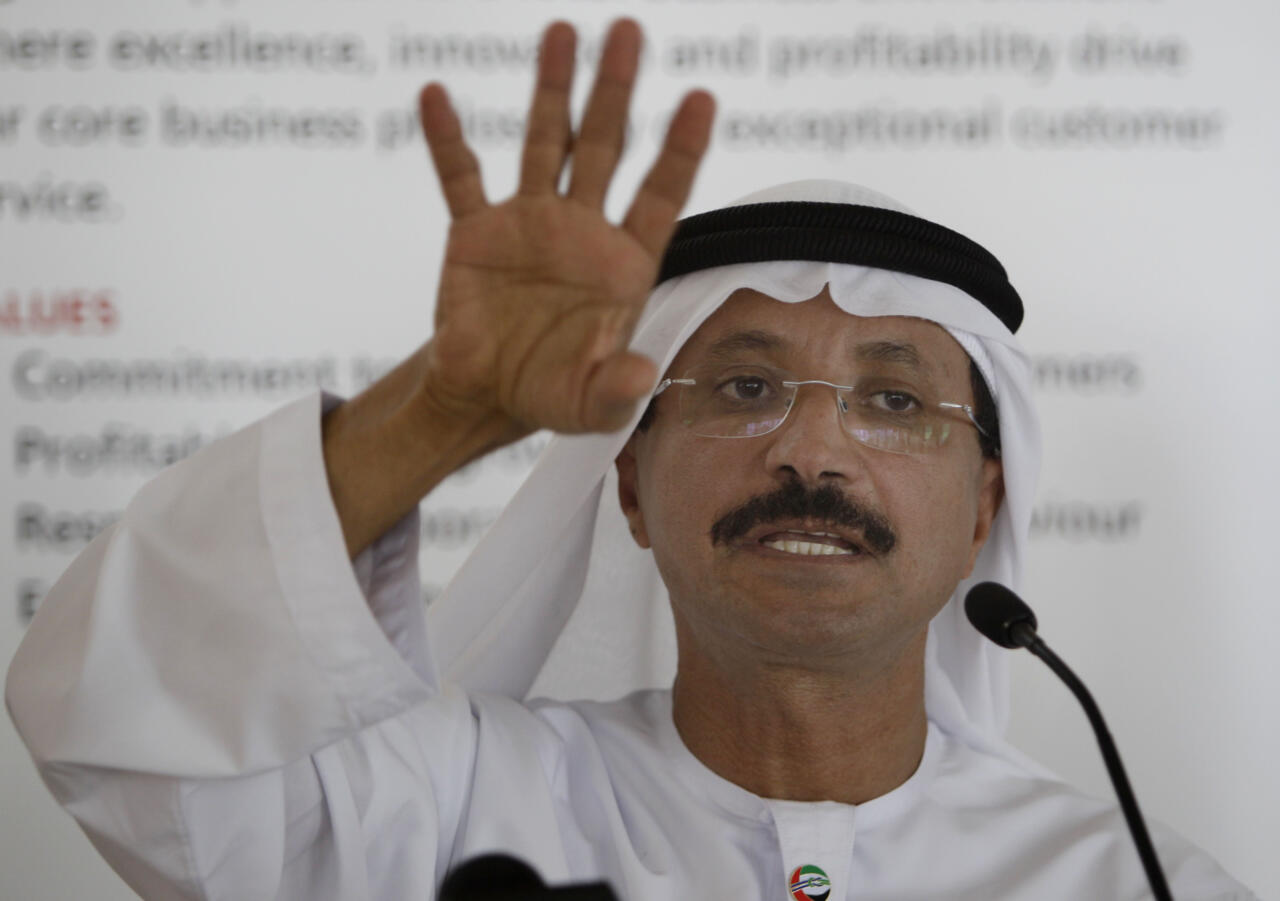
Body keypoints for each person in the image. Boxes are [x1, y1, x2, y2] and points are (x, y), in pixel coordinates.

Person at [5, 19, 1253, 901]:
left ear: (984, 502)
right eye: (744, 386)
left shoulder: (1133, 882)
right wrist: (445, 406)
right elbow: (117, 720)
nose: (810, 447)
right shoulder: (438, 811)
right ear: (629, 486)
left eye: (890, 398)